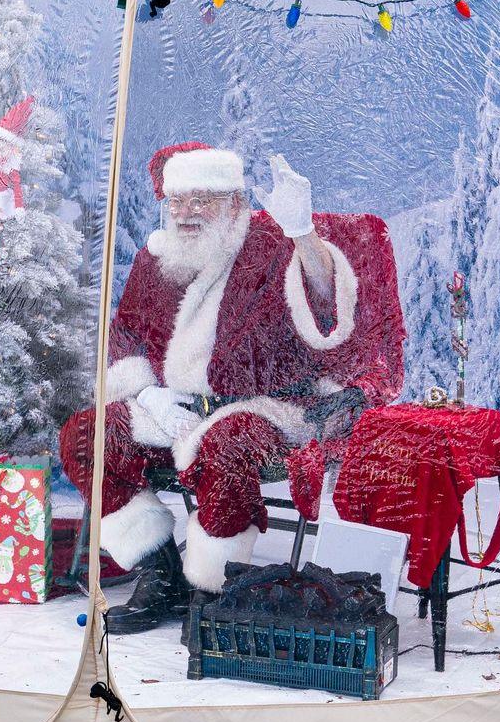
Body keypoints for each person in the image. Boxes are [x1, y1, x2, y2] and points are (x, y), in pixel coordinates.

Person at [59, 142, 404, 633]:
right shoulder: (156, 261)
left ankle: (213, 584)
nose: (186, 213)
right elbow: (127, 334)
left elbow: (327, 304)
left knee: (227, 445)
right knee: (85, 435)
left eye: (202, 200)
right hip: (175, 406)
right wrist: (146, 394)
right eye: (178, 201)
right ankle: (160, 572)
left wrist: (303, 233)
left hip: (270, 407)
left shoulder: (271, 245)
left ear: (235, 203)